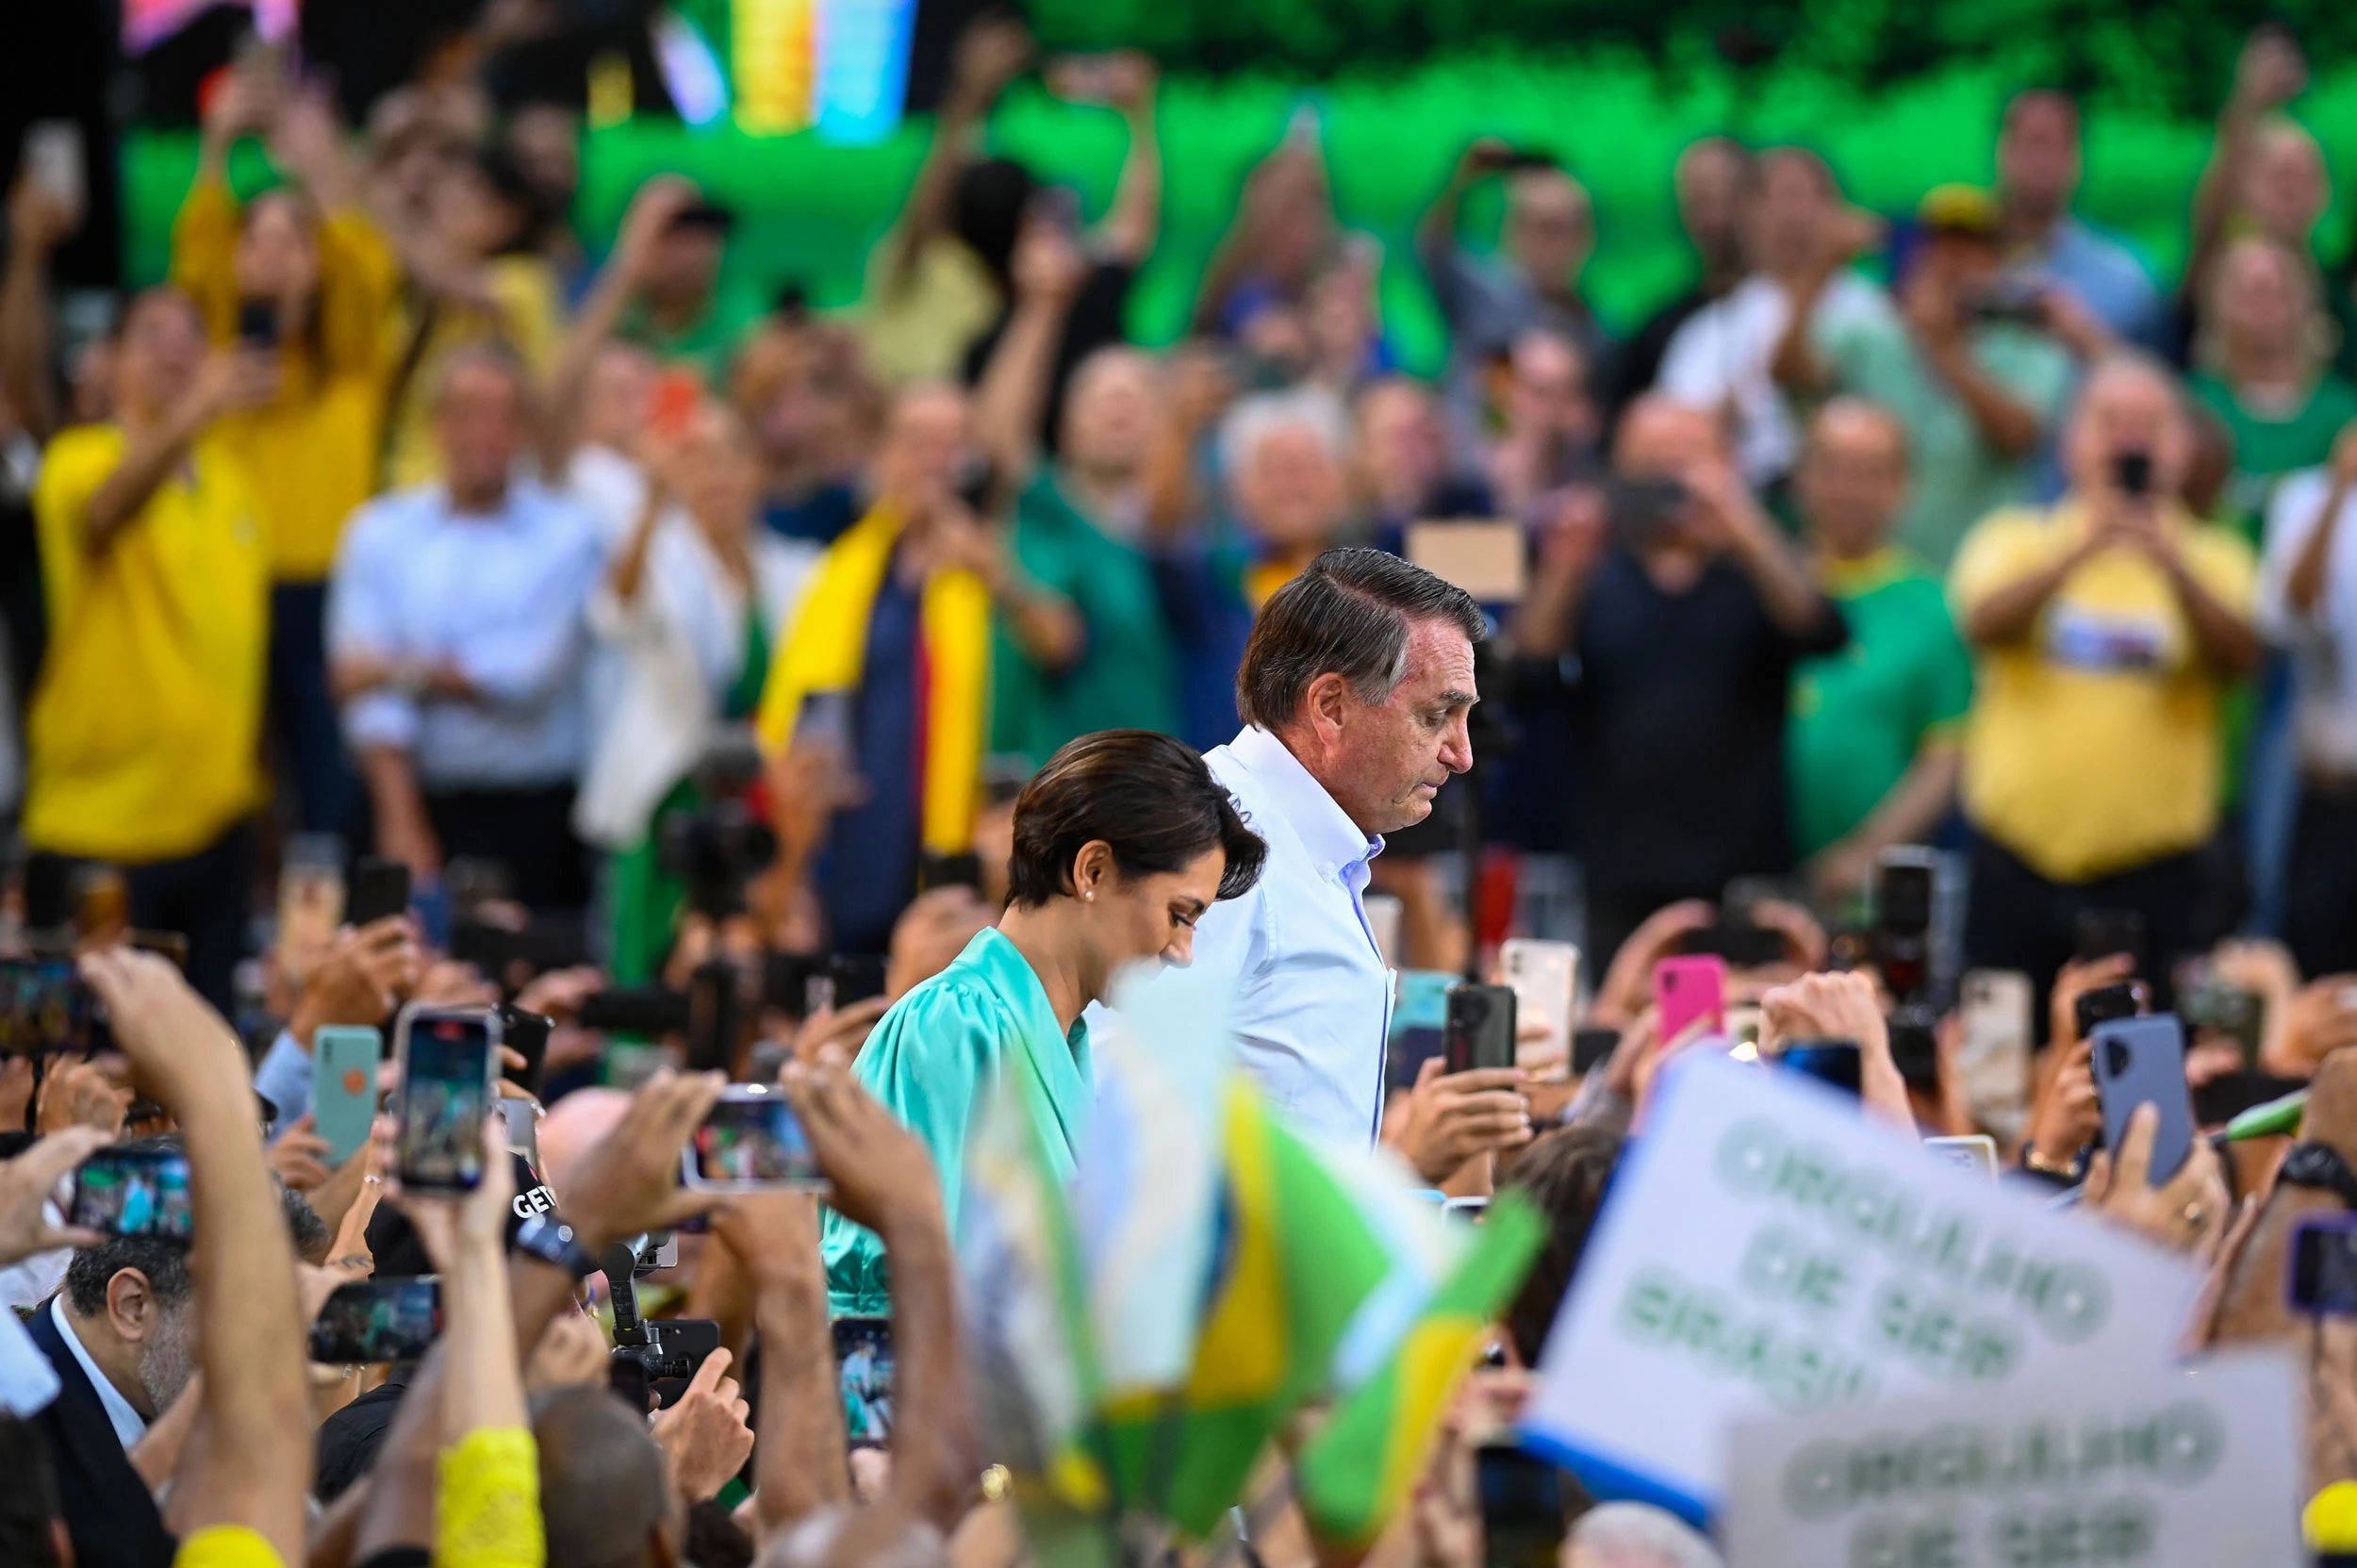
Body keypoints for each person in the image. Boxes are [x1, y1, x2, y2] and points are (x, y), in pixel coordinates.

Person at [824, 728, 1265, 1313]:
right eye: (1179, 915)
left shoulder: (1065, 1043)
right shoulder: (953, 1026)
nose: (1182, 950)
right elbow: (894, 1305)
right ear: (1094, 871)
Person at [1951, 355, 2260, 1000]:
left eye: (2150, 423)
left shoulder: (2216, 555)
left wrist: (2171, 564)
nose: (2129, 440)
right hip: (2015, 866)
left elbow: (2243, 657)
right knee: (1994, 1065)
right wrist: (2082, 549)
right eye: (2108, 421)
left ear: (2182, 446)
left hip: (2154, 879)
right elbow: (1983, 623)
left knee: (2141, 1069)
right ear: (2072, 440)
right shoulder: (2017, 537)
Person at [1513, 395, 1848, 969]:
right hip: (1621, 873)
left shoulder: (1753, 570)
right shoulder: (1596, 572)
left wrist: (1741, 525)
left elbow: (1823, 631)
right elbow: (1528, 673)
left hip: (1743, 873)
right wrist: (1565, 564)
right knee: (1623, 1036)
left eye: (1687, 466)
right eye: (1650, 470)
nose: (1670, 488)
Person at [1174, 548, 1482, 1148]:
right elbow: (1128, 1108)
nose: (1462, 754)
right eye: (1436, 715)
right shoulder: (1209, 844)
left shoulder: (1301, 840)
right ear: (1330, 707)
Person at [24, 288, 273, 1013]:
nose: (177, 347)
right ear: (110, 361)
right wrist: (201, 409)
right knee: (80, 1071)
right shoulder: (78, 458)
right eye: (153, 333)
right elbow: (108, 509)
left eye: (192, 333)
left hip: (217, 828)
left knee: (206, 1075)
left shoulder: (231, 478)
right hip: (100, 833)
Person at [171, 75, 396, 837]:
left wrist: (317, 165)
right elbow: (196, 254)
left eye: (290, 239)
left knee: (326, 789)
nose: (272, 254)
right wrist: (216, 148)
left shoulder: (353, 361)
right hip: (231, 590)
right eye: (255, 239)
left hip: (327, 594)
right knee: (233, 785)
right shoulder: (215, 362)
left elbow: (366, 262)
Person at [329, 342, 606, 909]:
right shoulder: (380, 532)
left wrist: (396, 670)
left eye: (505, 415)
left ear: (526, 429)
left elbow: (529, 676)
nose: (487, 432)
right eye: (469, 413)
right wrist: (400, 817)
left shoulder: (569, 533)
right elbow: (358, 689)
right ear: (438, 424)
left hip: (535, 813)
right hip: (410, 801)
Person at [751, 383, 1015, 955]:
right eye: (918, 442)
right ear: (884, 454)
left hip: (958, 844)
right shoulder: (845, 568)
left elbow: (1061, 646)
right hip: (854, 842)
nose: (934, 462)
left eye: (951, 444)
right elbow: (795, 711)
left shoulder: (1001, 561)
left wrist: (997, 576)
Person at [577, 401, 818, 981]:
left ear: (759, 468)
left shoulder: (797, 569)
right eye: (697, 459)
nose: (717, 474)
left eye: (730, 455)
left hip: (762, 808)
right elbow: (615, 611)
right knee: (649, 971)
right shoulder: (659, 559)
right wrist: (652, 503)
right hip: (669, 801)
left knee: (746, 970)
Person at [973, 211, 1180, 771]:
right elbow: (997, 435)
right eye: (1098, 397)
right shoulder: (1050, 507)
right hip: (1071, 781)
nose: (1117, 408)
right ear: (1063, 424)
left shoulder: (1182, 524)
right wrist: (1041, 308)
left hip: (1168, 784)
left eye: (1135, 398)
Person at [1788, 185, 2078, 568]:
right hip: (1882, 580)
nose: (1954, 265)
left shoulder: (2028, 347)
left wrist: (1941, 347)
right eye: (1942, 248)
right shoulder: (1875, 333)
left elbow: (2019, 437)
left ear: (1997, 264)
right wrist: (1822, 266)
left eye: (1972, 251)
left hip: (1981, 579)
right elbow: (1789, 371)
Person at [1787, 400, 1973, 907]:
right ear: (1800, 477)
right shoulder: (1762, 585)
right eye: (1832, 469)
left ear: (1903, 487)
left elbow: (1945, 756)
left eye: (1870, 473)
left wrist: (1864, 856)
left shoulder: (1931, 606)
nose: (1848, 490)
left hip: (1867, 893)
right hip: (1752, 871)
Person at [1657, 146, 1893, 493]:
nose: (1792, 214)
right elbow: (1675, 435)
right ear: (1748, 216)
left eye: (1806, 195)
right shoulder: (1713, 328)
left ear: (1838, 207)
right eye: (1776, 197)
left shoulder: (1874, 314)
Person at [1417, 140, 1610, 440]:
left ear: (1587, 238)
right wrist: (1463, 181)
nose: (1553, 245)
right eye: (1542, 228)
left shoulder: (1593, 331)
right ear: (1513, 232)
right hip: (1470, 476)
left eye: (1566, 229)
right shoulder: (1483, 294)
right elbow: (1433, 248)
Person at [2258, 424, 2357, 978]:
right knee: (2315, 977)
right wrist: (2340, 490)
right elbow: (2292, 617)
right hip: (2328, 793)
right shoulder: (2306, 496)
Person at [2191, 233, 2357, 524]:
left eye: (2278, 292)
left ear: (2306, 304)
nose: (2264, 308)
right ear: (2218, 304)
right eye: (2249, 293)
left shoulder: (2345, 415)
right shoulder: (2192, 407)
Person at [1994, 89, 2165, 349]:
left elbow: (2148, 378)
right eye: (2032, 142)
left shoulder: (2124, 282)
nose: (2040, 161)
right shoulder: (1952, 265)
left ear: (2076, 159)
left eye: (2054, 145)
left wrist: (2085, 337)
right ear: (2002, 152)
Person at [1610, 137, 1751, 419]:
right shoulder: (1657, 332)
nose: (1715, 218)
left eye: (1727, 198)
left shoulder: (1792, 309)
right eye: (1699, 201)